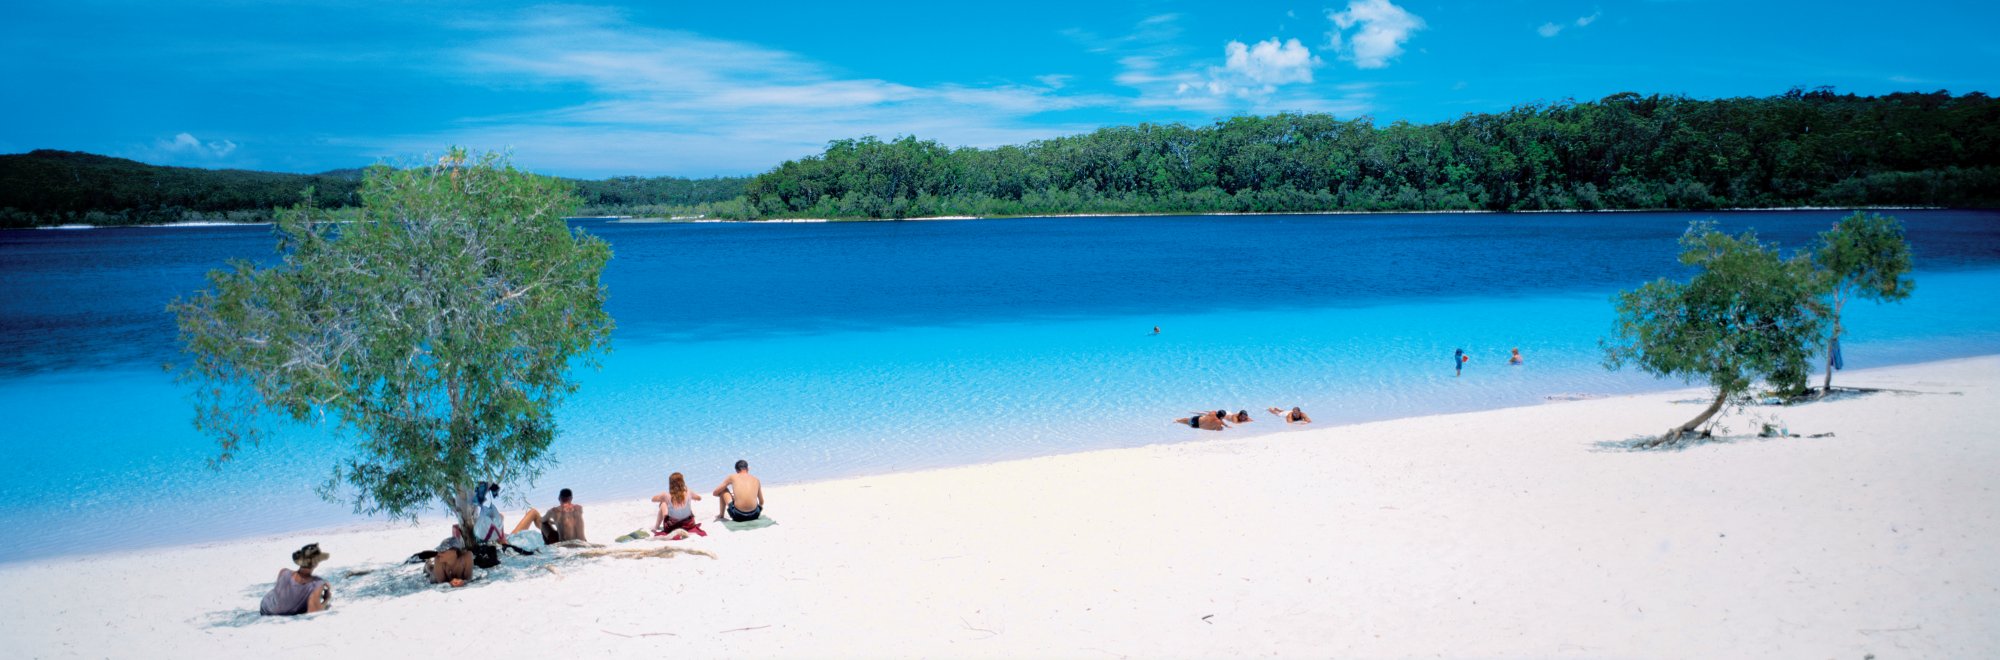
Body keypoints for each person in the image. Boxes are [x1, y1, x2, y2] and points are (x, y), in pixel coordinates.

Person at [259, 543, 332, 616]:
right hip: (279, 613)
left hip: (265, 607)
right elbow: (313, 611)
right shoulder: (317, 584)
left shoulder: (284, 572)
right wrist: (326, 599)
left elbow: (281, 596)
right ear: (316, 563)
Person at [509, 487, 587, 545]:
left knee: (543, 523)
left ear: (559, 498)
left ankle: (546, 545)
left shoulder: (554, 511)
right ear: (571, 498)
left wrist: (550, 521)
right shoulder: (579, 508)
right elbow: (568, 520)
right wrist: (555, 522)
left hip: (565, 545)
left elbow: (542, 521)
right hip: (583, 542)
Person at [652, 472, 705, 537]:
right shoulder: (689, 492)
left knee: (663, 503)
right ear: (682, 482)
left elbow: (653, 499)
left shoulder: (666, 495)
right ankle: (658, 525)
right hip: (689, 525)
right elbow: (699, 498)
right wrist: (690, 497)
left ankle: (656, 526)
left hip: (673, 527)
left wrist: (662, 497)